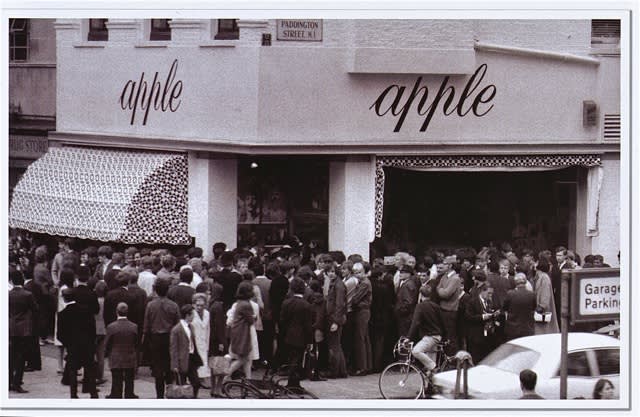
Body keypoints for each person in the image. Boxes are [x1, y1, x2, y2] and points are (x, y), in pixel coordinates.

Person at [57, 288, 99, 398]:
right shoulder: (86, 311)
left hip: (73, 346)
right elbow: (92, 330)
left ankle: (73, 394)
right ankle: (93, 393)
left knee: (72, 371)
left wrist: (68, 344)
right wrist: (91, 342)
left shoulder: (62, 314)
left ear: (64, 298)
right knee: (89, 370)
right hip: (87, 345)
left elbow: (60, 335)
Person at [143, 278, 180, 398]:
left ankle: (159, 395)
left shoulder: (150, 305)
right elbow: (177, 324)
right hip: (169, 338)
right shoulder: (173, 305)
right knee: (170, 367)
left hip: (155, 339)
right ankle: (169, 392)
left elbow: (146, 325)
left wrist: (145, 341)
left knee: (158, 368)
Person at [279, 277, 314, 389]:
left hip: (288, 335)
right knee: (298, 360)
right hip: (301, 336)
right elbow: (308, 326)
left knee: (291, 358)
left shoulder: (286, 303)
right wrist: (310, 340)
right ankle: (294, 383)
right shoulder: (306, 305)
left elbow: (282, 320)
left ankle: (292, 382)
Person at [9, 270, 38, 393]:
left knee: (11, 355)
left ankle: (8, 380)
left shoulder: (8, 294)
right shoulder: (27, 295)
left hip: (11, 326)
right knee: (21, 356)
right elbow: (35, 309)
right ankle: (17, 381)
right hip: (24, 328)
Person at [407, 284, 444, 375]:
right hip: (437, 336)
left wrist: (409, 337)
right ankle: (429, 387)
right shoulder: (435, 306)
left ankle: (434, 367)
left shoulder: (420, 306)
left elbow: (415, 323)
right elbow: (442, 322)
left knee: (416, 351)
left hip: (429, 336)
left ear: (420, 295)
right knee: (429, 363)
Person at [105, 302, 139, 399]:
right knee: (129, 377)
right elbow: (136, 343)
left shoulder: (111, 327)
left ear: (117, 312)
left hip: (116, 355)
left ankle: (116, 393)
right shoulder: (134, 326)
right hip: (129, 355)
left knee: (116, 378)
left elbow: (107, 343)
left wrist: (106, 354)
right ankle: (129, 393)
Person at [226, 281, 257, 380]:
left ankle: (249, 380)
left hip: (238, 333)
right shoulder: (246, 305)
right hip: (243, 334)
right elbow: (251, 320)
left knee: (247, 359)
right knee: (242, 359)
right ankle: (225, 376)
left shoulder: (239, 303)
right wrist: (255, 317)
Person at [170, 304, 203, 398]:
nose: (194, 317)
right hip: (182, 359)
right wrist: (175, 364)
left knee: (196, 382)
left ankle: (193, 398)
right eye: (193, 314)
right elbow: (173, 348)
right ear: (188, 315)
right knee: (181, 384)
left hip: (191, 357)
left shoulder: (191, 327)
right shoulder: (176, 329)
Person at [349, 262, 373, 376]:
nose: (357, 275)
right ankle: (367, 365)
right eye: (355, 273)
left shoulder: (364, 283)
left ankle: (362, 367)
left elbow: (355, 299)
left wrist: (353, 301)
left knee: (360, 338)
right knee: (365, 338)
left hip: (362, 312)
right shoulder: (364, 282)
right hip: (364, 311)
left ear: (364, 272)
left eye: (359, 272)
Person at [436, 256, 462, 351]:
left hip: (450, 311)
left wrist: (440, 289)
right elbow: (439, 288)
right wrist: (440, 289)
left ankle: (453, 359)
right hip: (443, 309)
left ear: (450, 265)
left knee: (451, 336)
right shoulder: (444, 276)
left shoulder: (455, 279)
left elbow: (446, 294)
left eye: (445, 264)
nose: (443, 265)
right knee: (445, 335)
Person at [208, 282, 227, 398]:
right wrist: (222, 342)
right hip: (218, 339)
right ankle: (218, 389)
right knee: (221, 365)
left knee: (213, 364)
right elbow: (219, 325)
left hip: (211, 338)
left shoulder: (211, 305)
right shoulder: (218, 307)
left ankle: (213, 387)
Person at [503, 273, 536, 341]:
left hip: (513, 328)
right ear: (525, 281)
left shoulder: (510, 294)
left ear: (515, 282)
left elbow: (505, 307)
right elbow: (534, 307)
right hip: (528, 328)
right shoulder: (532, 294)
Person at [532, 257, 559, 335]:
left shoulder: (544, 278)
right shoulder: (540, 277)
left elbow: (545, 295)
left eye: (536, 262)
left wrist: (541, 307)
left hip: (543, 312)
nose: (534, 264)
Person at [191, 293, 211, 388]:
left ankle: (202, 379)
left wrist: (207, 341)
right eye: (197, 305)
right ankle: (194, 379)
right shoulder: (191, 314)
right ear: (193, 304)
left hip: (203, 339)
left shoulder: (207, 314)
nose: (199, 307)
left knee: (204, 359)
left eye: (202, 305)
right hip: (194, 340)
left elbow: (208, 328)